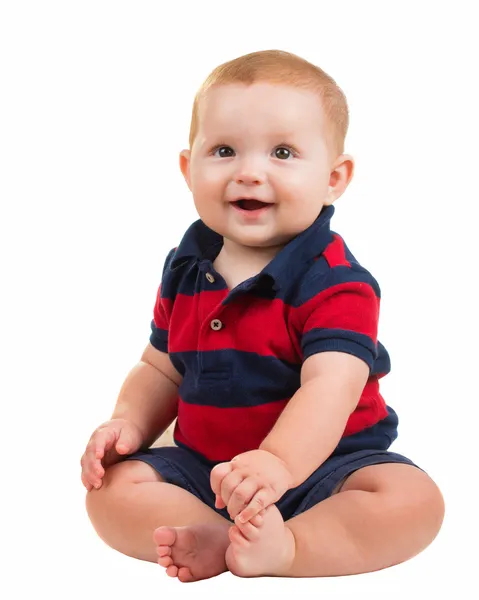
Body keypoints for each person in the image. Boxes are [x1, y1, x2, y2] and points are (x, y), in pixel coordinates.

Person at [82, 49, 445, 582]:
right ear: (189, 169)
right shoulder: (187, 267)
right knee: (109, 492)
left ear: (334, 178)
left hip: (327, 470)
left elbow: (331, 388)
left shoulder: (336, 281)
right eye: (225, 150)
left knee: (413, 501)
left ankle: (293, 546)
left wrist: (277, 464)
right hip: (207, 467)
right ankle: (210, 535)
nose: (249, 173)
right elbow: (161, 366)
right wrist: (128, 423)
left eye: (283, 152)